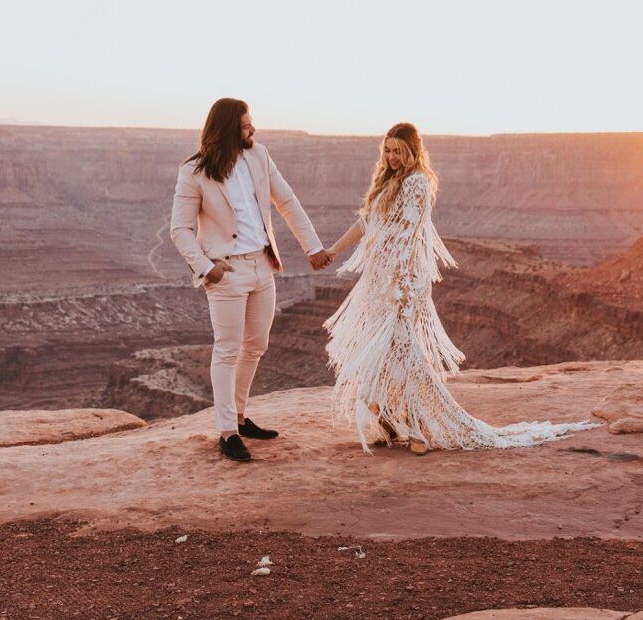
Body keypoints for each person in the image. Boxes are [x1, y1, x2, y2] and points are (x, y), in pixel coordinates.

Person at [322, 122, 596, 453]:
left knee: (407, 355)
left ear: (412, 151)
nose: (392, 157)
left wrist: (399, 285)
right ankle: (392, 422)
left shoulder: (417, 183)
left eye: (398, 151)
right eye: (388, 150)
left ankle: (420, 428)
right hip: (380, 283)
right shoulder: (386, 181)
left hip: (402, 283)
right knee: (384, 354)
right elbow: (367, 222)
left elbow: (409, 236)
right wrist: (332, 251)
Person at [170, 98, 332, 462]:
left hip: (262, 265)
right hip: (226, 271)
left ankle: (240, 417)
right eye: (246, 126)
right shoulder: (194, 171)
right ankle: (227, 431)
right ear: (228, 129)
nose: (252, 130)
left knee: (256, 345)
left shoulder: (259, 157)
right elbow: (178, 229)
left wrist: (313, 248)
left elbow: (287, 202)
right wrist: (206, 267)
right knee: (227, 348)